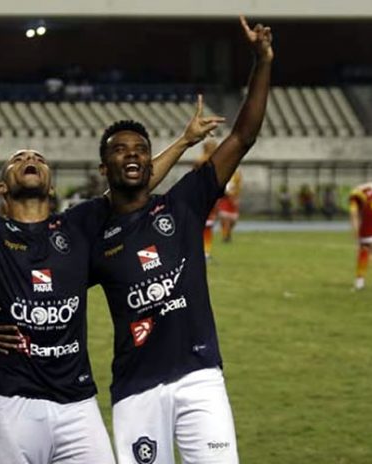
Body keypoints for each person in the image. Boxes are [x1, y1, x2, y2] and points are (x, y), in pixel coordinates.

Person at [0, 68, 222, 464]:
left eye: (38, 157)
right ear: (2, 186)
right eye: (19, 158)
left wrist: (185, 142)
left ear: (52, 184)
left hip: (78, 405)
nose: (30, 158)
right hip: (12, 402)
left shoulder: (79, 225)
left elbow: (135, 179)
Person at [90, 16, 272, 464]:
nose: (131, 154)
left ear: (151, 164)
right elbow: (45, 279)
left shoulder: (183, 205)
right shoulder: (90, 230)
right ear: (103, 170)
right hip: (136, 389)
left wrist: (262, 61)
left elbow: (243, 136)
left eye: (139, 149)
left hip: (199, 377)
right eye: (119, 149)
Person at [218, 168, 242, 243]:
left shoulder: (237, 175)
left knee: (233, 221)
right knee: (225, 220)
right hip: (225, 199)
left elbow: (238, 187)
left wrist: (237, 198)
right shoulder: (223, 173)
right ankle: (226, 237)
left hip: (233, 199)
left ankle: (228, 233)